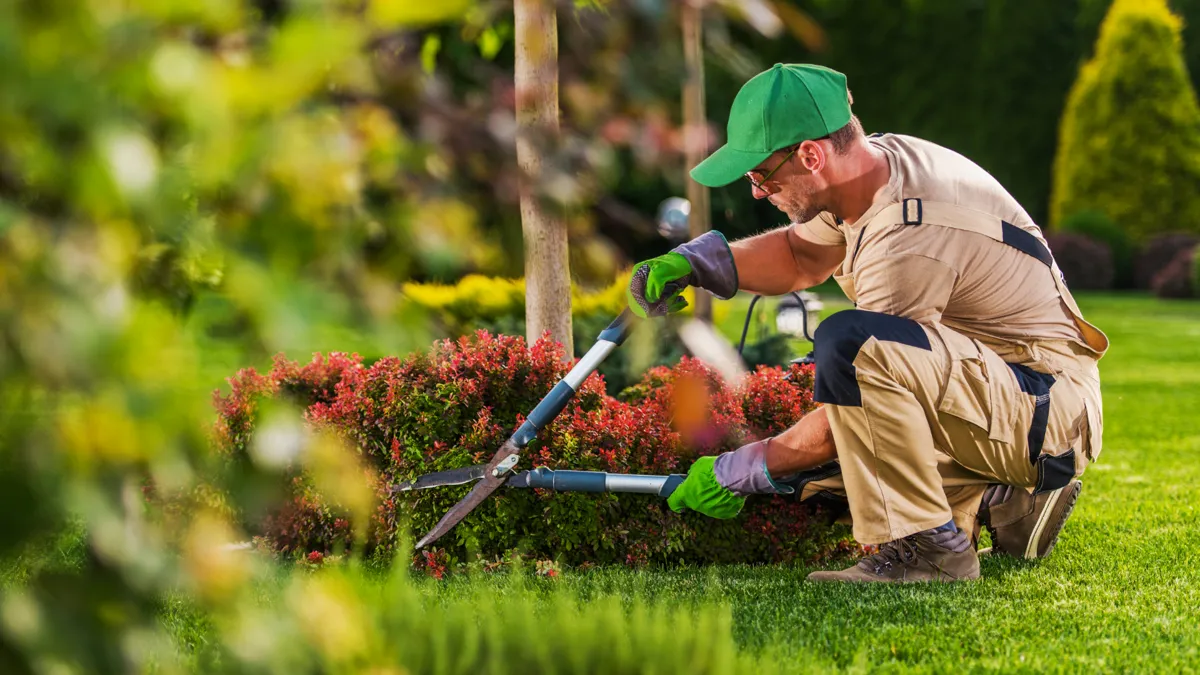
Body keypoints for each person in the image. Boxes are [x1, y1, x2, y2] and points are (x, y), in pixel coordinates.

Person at [626, 63, 1108, 583]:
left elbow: (852, 405)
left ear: (811, 154)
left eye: (761, 175)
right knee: (833, 471)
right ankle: (1004, 501)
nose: (758, 194)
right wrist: (699, 264)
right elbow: (799, 255)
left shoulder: (908, 235)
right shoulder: (871, 170)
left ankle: (933, 550)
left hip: (1046, 410)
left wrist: (738, 470)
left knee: (848, 357)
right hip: (1010, 388)